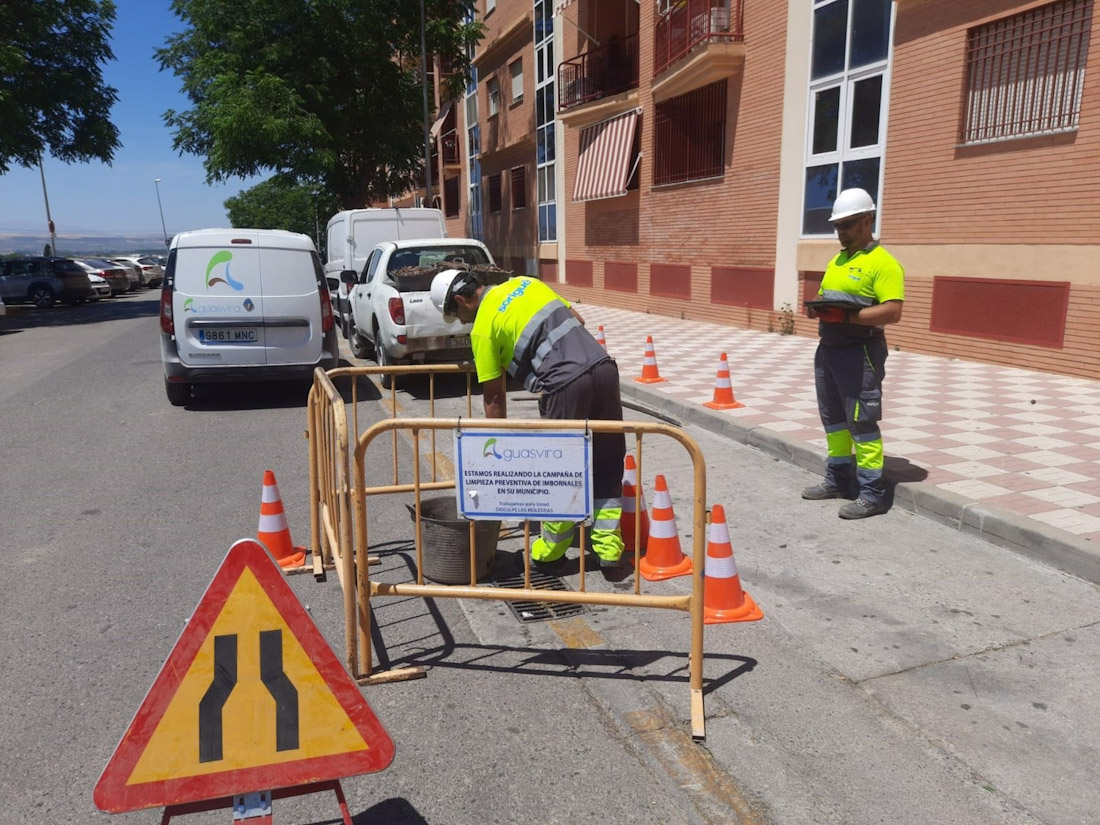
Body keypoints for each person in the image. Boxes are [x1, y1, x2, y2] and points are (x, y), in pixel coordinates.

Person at [430, 269, 626, 568]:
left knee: (560, 471)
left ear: (461, 300)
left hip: (565, 385)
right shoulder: (525, 283)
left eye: (456, 314)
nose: (460, 321)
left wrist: (497, 452)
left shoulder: (483, 327)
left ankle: (550, 552)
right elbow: (579, 321)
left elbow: (494, 398)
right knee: (608, 461)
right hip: (604, 369)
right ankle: (609, 550)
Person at [803, 187, 904, 519]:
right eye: (837, 227)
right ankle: (838, 480)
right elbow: (826, 296)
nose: (841, 233)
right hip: (828, 350)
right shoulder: (838, 260)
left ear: (867, 220)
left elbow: (892, 311)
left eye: (847, 225)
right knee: (834, 421)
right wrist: (817, 311)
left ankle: (872, 494)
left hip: (860, 353)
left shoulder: (883, 263)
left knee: (862, 423)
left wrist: (847, 317)